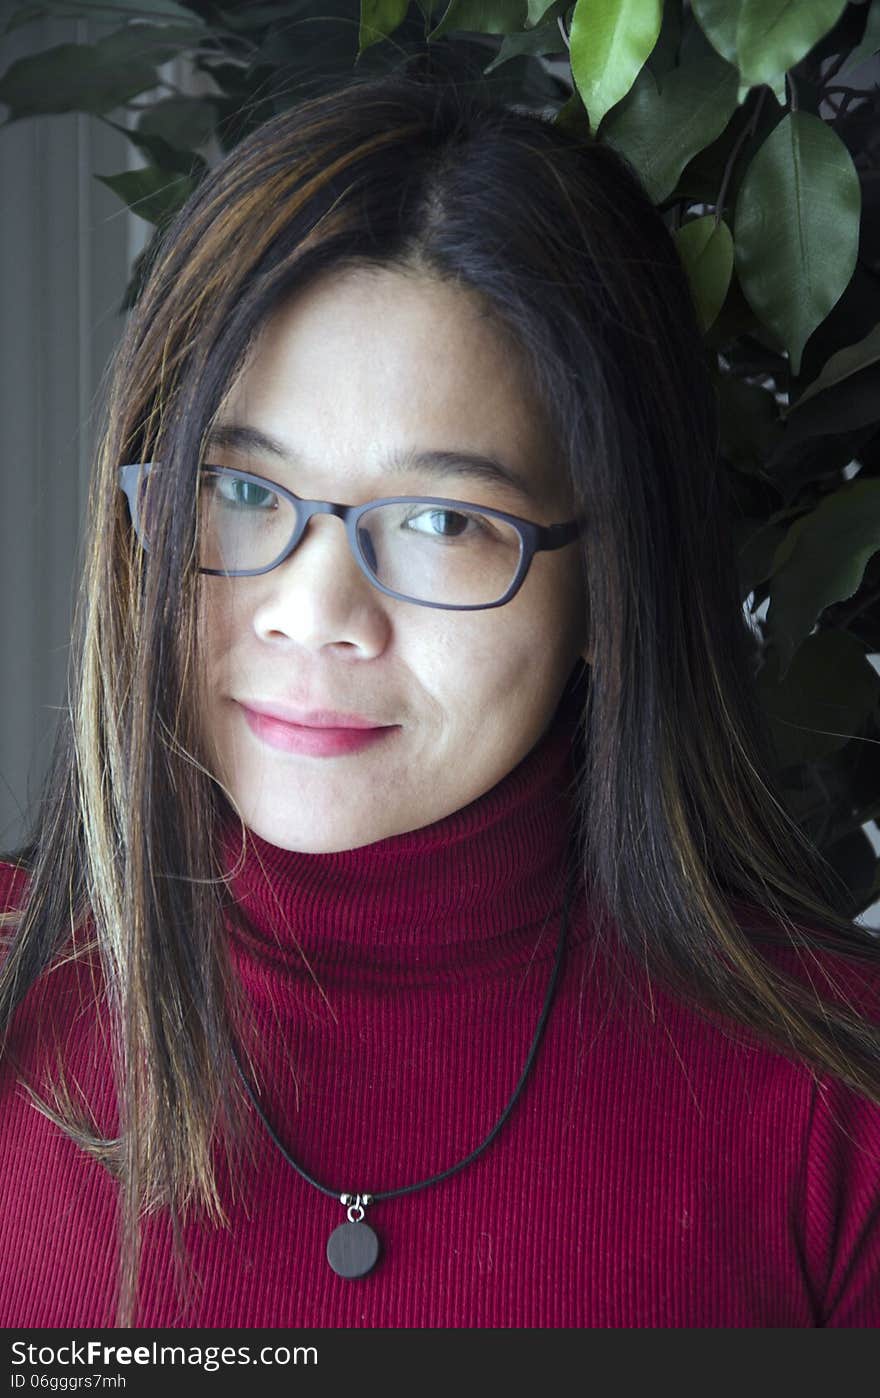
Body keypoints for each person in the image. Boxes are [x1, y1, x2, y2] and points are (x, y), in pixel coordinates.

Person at [2, 64, 880, 1331]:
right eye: (240, 489)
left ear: (611, 584)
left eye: (441, 520)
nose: (314, 614)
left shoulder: (835, 1102)